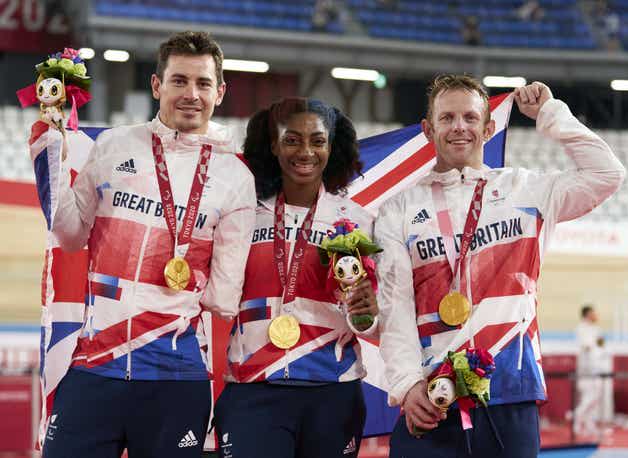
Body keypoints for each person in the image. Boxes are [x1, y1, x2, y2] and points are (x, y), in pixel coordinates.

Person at [375, 74, 625, 457]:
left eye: (471, 118)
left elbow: (607, 174)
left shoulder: (526, 189)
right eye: (447, 118)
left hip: (511, 388)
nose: (460, 127)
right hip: (431, 395)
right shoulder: (398, 210)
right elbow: (395, 308)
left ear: (489, 128)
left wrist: (549, 114)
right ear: (428, 129)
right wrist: (408, 385)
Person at [39, 31, 256, 458]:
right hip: (94, 367)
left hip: (175, 381)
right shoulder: (114, 145)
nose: (191, 94)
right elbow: (68, 236)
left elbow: (224, 300)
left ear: (221, 91)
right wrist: (50, 149)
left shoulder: (235, 178)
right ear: (157, 85)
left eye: (203, 83)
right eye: (179, 81)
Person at [213, 97, 379, 458]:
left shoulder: (358, 222)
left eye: (317, 141)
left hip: (332, 391)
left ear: (331, 147)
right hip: (254, 386)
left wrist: (369, 312)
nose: (305, 151)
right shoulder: (242, 213)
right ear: (273, 144)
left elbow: (374, 322)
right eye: (292, 140)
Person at [574, 305, 608, 436]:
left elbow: (602, 345)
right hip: (586, 370)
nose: (596, 315)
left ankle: (589, 424)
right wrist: (595, 346)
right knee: (588, 398)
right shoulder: (581, 329)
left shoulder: (597, 329)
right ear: (587, 314)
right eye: (594, 313)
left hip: (597, 369)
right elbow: (587, 347)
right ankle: (576, 423)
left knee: (595, 399)